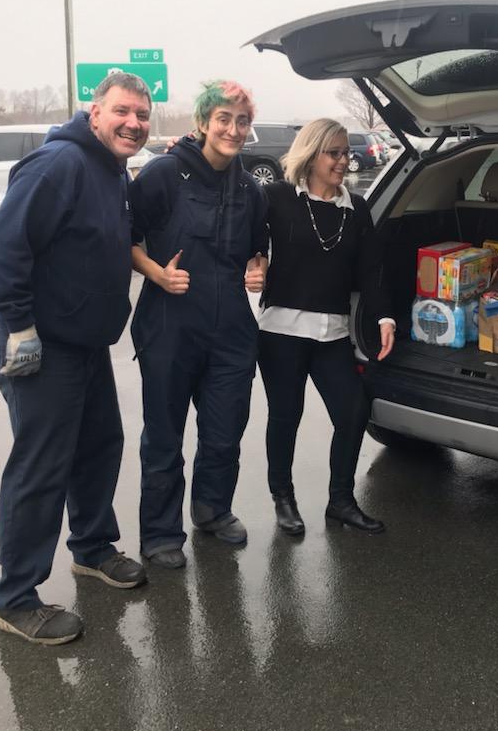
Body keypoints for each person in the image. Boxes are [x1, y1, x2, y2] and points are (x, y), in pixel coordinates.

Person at [0, 72, 152, 645]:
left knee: (100, 446)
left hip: (85, 345)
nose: (134, 123)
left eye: (143, 115)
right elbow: (4, 245)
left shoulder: (111, 172)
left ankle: (92, 548)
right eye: (123, 111)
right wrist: (17, 326)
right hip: (41, 345)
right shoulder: (58, 164)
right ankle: (16, 598)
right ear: (95, 112)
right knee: (41, 467)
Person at [129, 80, 268, 570]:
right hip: (170, 325)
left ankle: (212, 509)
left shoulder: (250, 188)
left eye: (242, 121)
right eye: (224, 119)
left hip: (230, 329)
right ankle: (161, 533)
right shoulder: (164, 174)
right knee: (164, 435)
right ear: (204, 123)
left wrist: (259, 266)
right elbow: (124, 237)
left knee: (224, 430)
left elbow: (258, 247)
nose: (232, 129)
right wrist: (156, 274)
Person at [258, 118, 395, 535]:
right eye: (333, 153)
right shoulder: (277, 198)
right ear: (311, 153)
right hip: (282, 331)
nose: (342, 161)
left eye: (345, 153)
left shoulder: (356, 207)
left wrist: (385, 317)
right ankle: (283, 497)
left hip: (332, 334)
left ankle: (341, 501)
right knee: (286, 415)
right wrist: (253, 261)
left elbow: (372, 271)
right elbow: (247, 242)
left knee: (353, 411)